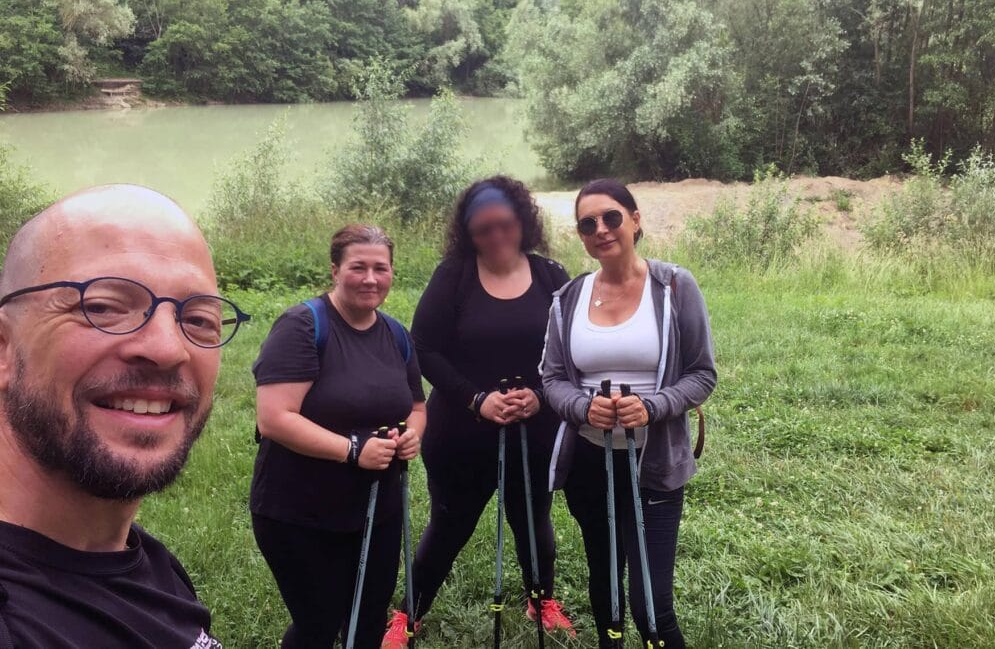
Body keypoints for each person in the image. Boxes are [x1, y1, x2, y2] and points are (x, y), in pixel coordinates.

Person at [0, 184, 247, 648]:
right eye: (103, 307)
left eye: (197, 319)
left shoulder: (138, 558)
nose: (167, 348)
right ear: (4, 348)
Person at [383, 176, 574, 647]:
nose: (495, 236)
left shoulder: (551, 275)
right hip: (461, 432)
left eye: (503, 224)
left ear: (522, 221)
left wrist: (541, 394)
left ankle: (541, 598)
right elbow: (423, 347)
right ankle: (408, 614)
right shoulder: (455, 275)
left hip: (535, 427)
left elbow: (570, 351)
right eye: (482, 228)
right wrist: (477, 398)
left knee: (533, 520)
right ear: (468, 232)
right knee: (449, 524)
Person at [541, 179, 717, 648]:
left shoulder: (675, 286)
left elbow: (702, 374)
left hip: (654, 462)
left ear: (635, 221)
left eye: (611, 217)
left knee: (649, 604)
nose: (601, 229)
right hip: (590, 464)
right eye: (587, 223)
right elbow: (552, 378)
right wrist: (582, 407)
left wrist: (652, 406)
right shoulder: (570, 298)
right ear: (580, 235)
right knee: (605, 587)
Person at [251, 224, 425, 649]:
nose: (370, 278)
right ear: (335, 270)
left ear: (392, 273)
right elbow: (274, 417)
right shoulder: (303, 325)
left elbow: (416, 407)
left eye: (380, 268)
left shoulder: (396, 334)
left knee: (368, 620)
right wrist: (352, 451)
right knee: (320, 621)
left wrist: (412, 436)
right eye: (358, 267)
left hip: (376, 510)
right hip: (300, 511)